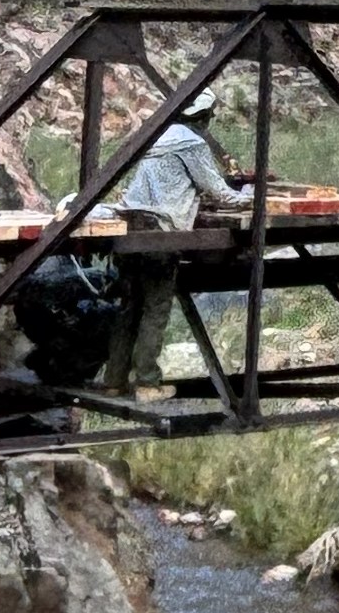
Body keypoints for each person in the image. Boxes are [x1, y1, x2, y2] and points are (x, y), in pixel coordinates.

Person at [101, 92, 248, 396]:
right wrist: (257, 198)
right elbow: (220, 193)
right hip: (162, 232)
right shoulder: (192, 142)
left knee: (130, 306)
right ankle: (147, 383)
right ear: (204, 117)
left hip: (131, 228)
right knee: (156, 308)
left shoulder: (157, 138)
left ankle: (114, 381)